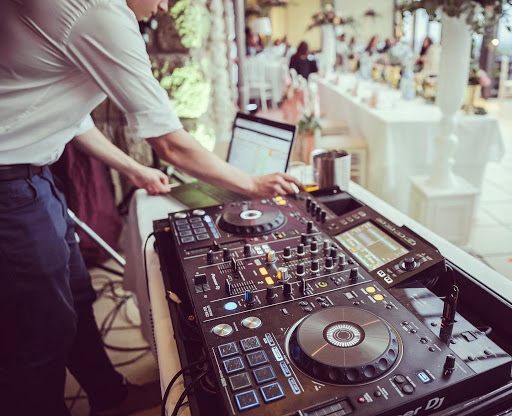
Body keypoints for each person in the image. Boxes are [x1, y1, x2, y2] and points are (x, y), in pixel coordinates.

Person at [0, 1, 301, 416]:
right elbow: (171, 142)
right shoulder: (99, 13)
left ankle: (110, 396)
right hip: (10, 188)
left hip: (32, 179)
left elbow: (72, 118)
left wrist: (134, 169)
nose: (163, 6)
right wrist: (252, 183)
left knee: (76, 295)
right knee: (38, 335)